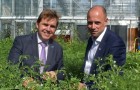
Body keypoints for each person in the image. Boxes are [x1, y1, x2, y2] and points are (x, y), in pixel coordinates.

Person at [8, 9, 64, 82]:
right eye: (45, 24)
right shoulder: (22, 42)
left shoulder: (57, 48)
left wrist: (55, 75)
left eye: (52, 26)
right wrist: (24, 79)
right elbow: (12, 67)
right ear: (37, 24)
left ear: (55, 29)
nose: (48, 29)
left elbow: (62, 71)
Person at [79, 5, 126, 89]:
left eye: (97, 23)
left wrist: (86, 87)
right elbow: (88, 65)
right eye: (90, 23)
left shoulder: (115, 43)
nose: (93, 27)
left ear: (106, 21)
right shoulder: (91, 39)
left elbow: (113, 78)